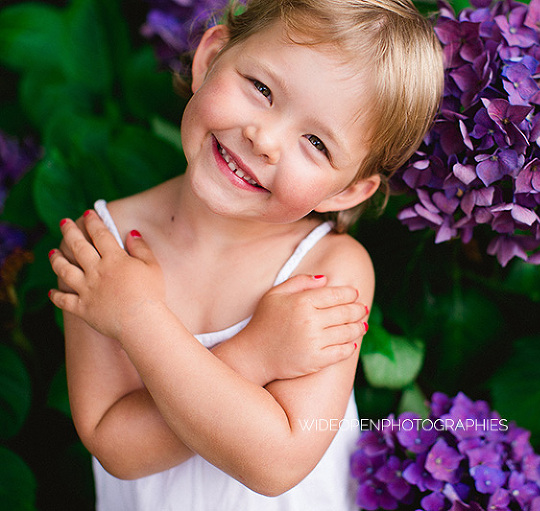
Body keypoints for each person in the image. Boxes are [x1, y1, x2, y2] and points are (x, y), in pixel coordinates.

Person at [46, 0, 444, 509]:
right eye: (262, 90)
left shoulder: (327, 270)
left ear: (344, 193)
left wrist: (138, 320)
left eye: (317, 143)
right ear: (210, 57)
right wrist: (253, 351)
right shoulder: (103, 246)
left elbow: (275, 462)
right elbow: (115, 446)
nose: (265, 139)